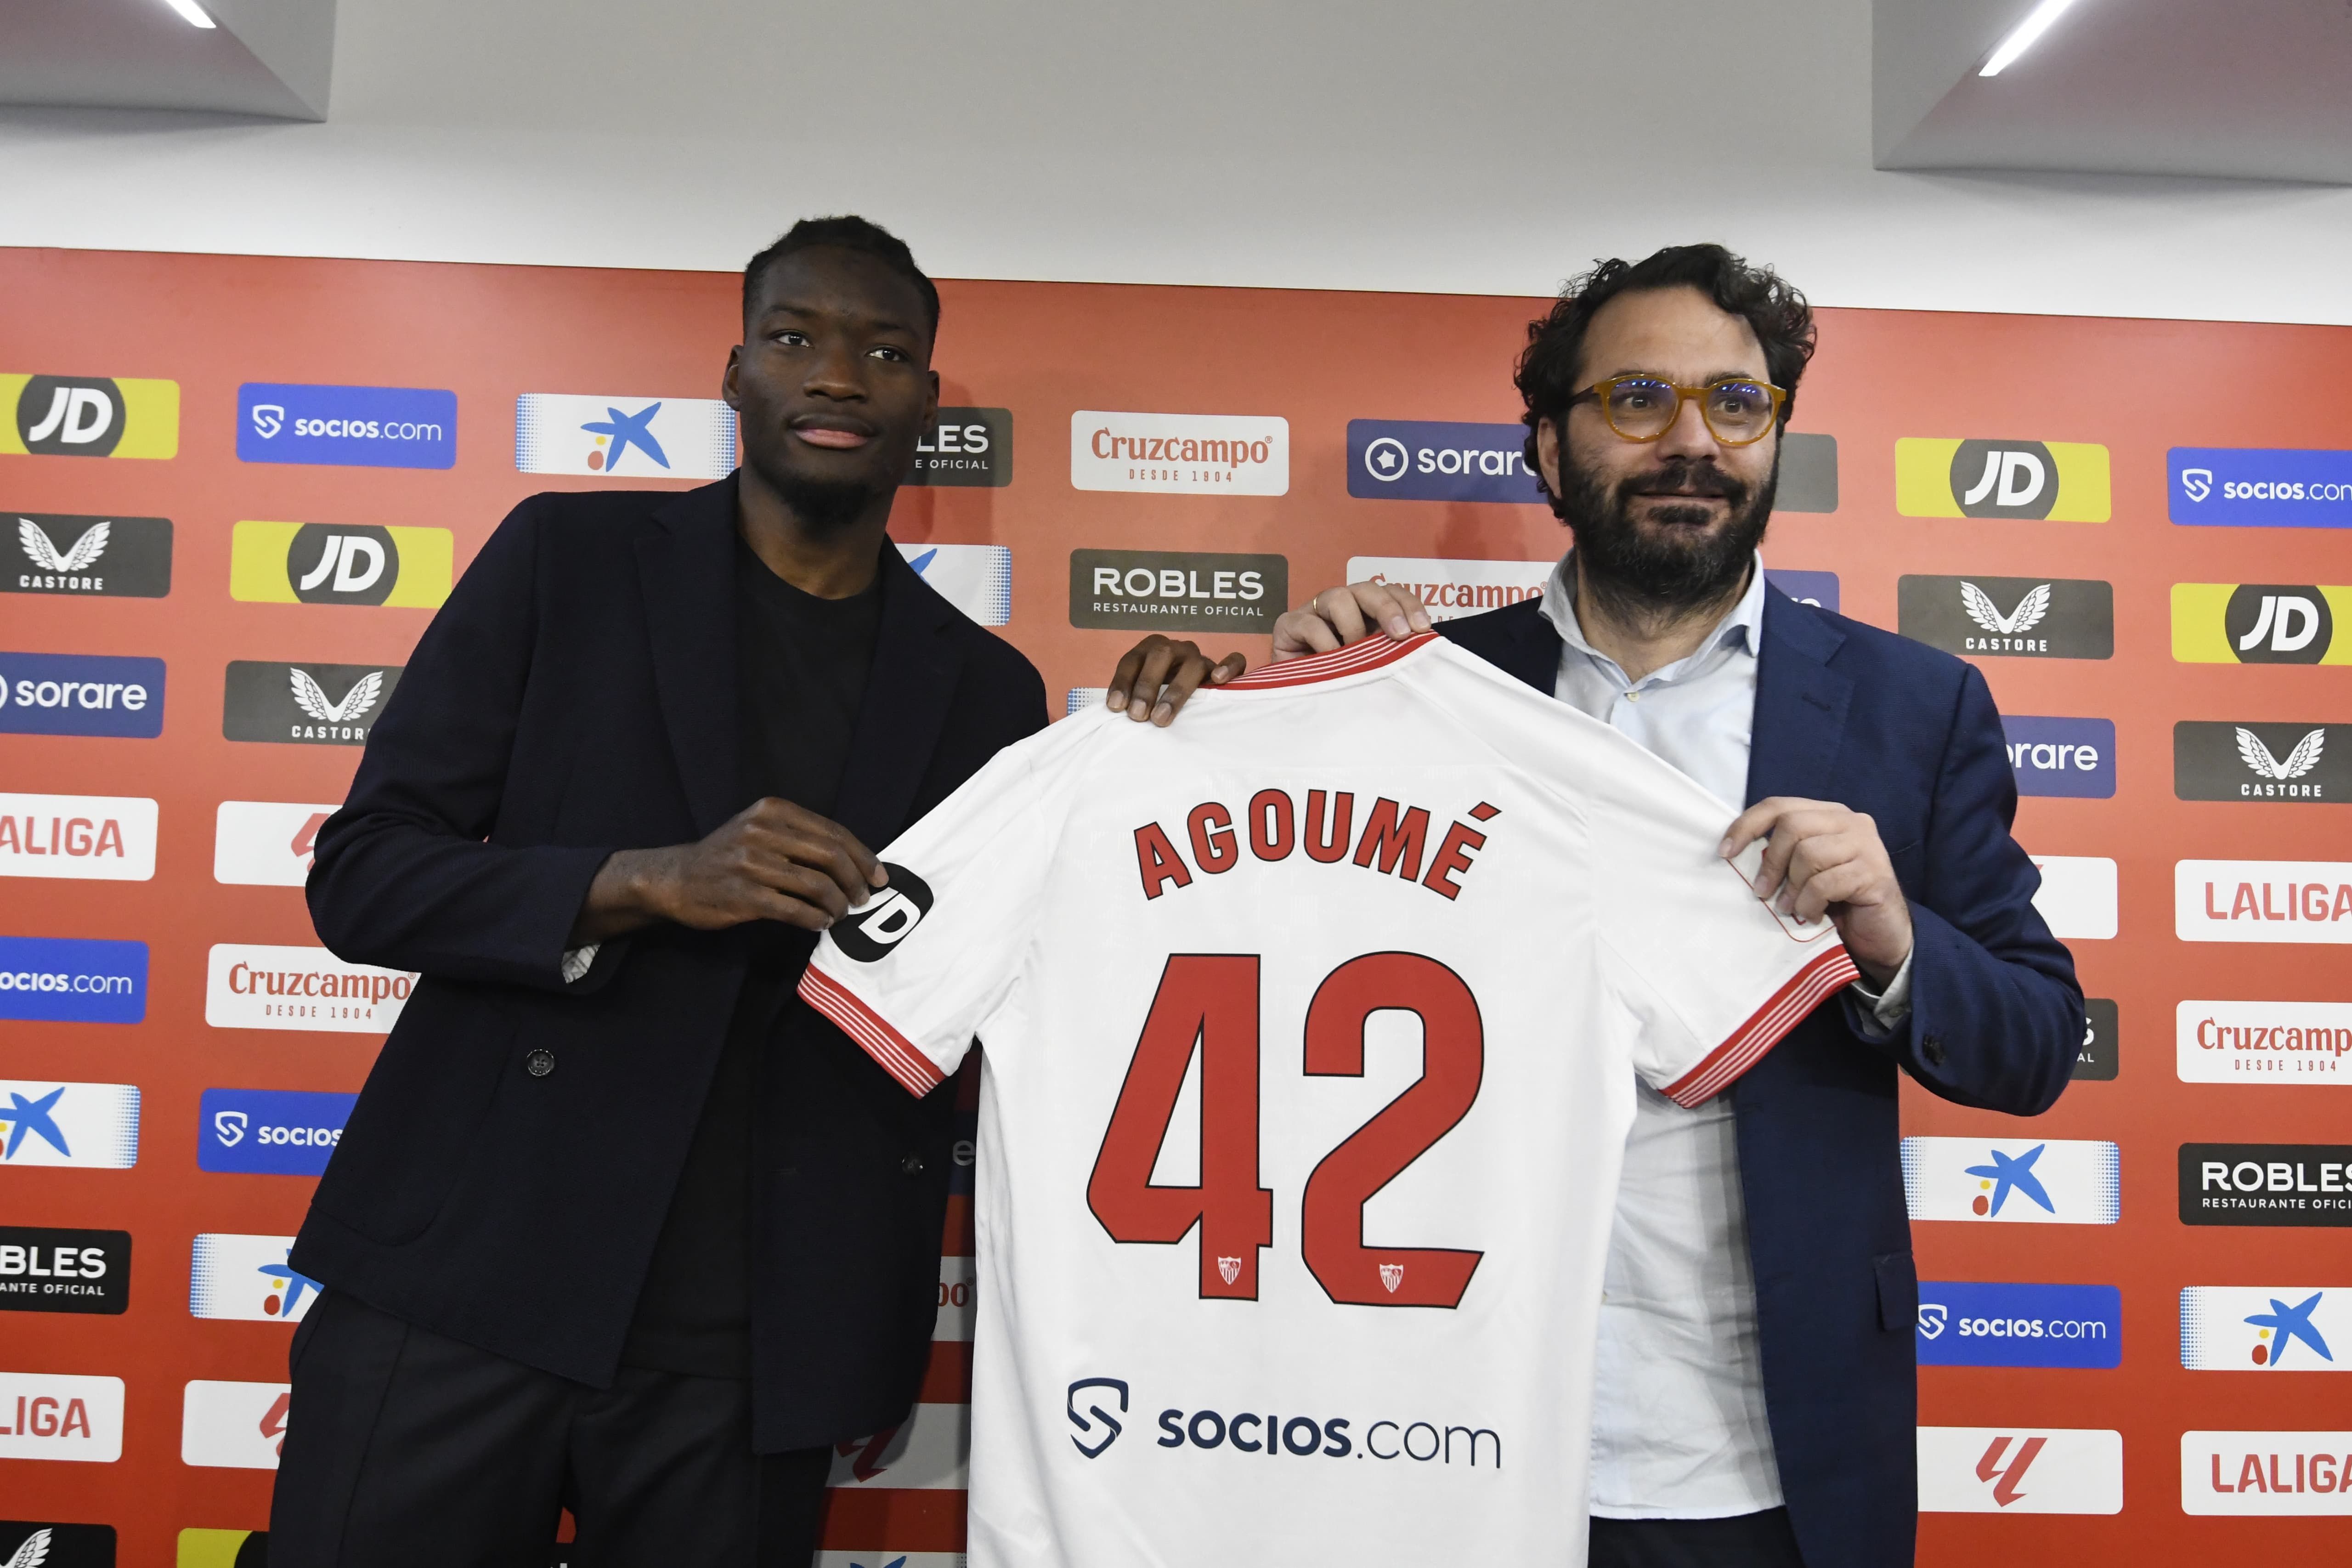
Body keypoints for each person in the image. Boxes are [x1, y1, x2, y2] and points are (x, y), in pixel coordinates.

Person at [1104, 243, 2081, 1568]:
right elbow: (1266, 995)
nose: (1693, 443)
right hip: (1449, 1436)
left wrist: (1896, 938)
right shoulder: (1420, 688)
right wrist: (1272, 725)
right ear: (1551, 452)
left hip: (1764, 1455)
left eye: (1737, 405)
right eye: (1637, 400)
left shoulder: (1914, 709)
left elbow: (2036, 1040)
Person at [272, 216, 1046, 1567]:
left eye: (885, 350)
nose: (840, 376)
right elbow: (365, 876)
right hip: (466, 1278)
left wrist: (1185, 733)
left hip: (759, 1346)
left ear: (928, 397)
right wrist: (638, 883)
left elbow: (1010, 999)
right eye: (796, 338)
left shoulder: (988, 695)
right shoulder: (565, 564)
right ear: (734, 374)